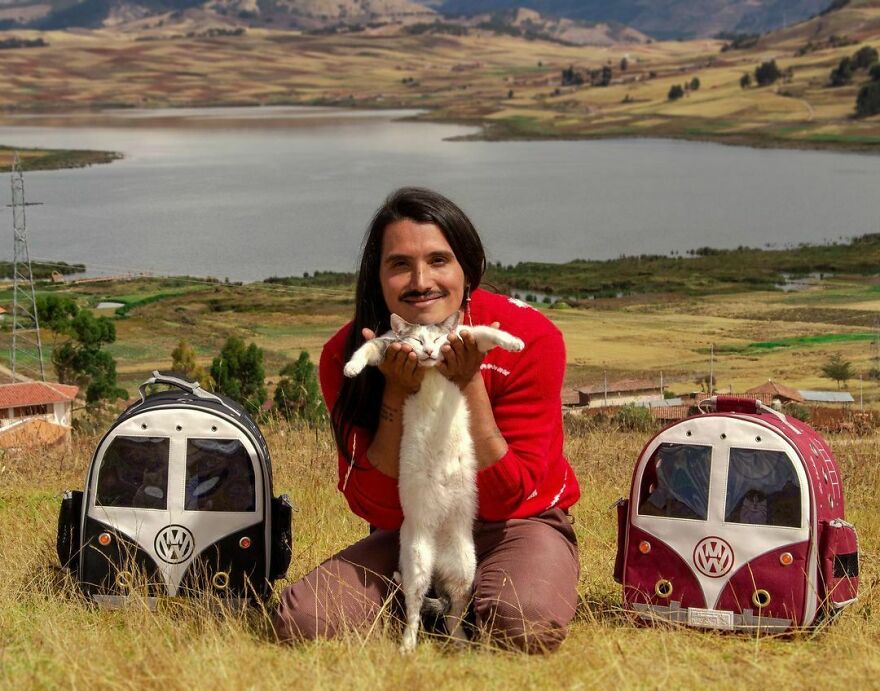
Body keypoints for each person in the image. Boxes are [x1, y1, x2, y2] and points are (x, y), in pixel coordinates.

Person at [273, 187, 581, 653]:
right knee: (304, 619)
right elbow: (375, 508)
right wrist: (396, 391)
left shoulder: (528, 339)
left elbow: (508, 496)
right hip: (411, 525)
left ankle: (487, 591)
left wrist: (468, 382)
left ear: (468, 268)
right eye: (399, 264)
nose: (421, 281)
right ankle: (442, 601)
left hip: (517, 523)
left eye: (439, 260)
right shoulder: (346, 357)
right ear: (376, 276)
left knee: (526, 622)